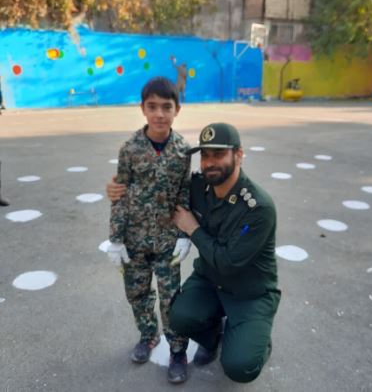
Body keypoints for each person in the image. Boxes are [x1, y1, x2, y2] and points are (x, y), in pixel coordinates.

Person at [107, 123, 281, 384]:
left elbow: (228, 262)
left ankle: (255, 341)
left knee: (240, 366)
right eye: (205, 155)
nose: (210, 162)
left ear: (238, 155)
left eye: (219, 154)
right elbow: (158, 192)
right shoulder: (199, 187)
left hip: (249, 293)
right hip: (210, 281)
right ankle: (215, 336)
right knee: (179, 316)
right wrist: (116, 190)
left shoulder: (257, 207)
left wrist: (193, 229)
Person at [106, 76, 191, 384]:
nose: (159, 114)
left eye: (166, 107)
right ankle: (148, 335)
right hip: (135, 240)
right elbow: (119, 193)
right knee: (137, 294)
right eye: (152, 107)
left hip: (167, 242)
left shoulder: (183, 150)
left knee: (171, 300)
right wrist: (116, 239)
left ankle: (178, 350)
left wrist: (184, 235)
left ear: (177, 109)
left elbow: (184, 193)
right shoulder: (129, 149)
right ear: (142, 108)